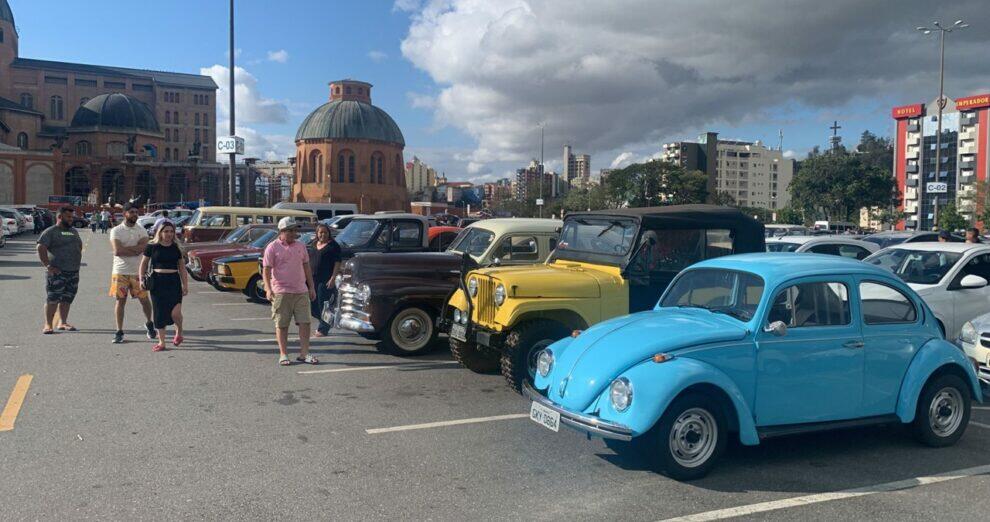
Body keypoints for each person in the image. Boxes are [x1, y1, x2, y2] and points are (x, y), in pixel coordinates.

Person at [263, 217, 318, 366]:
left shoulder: (301, 246)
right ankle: (283, 354)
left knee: (305, 323)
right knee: (282, 324)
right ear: (282, 231)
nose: (294, 233)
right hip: (281, 291)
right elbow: (266, 270)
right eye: (291, 230)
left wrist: (311, 287)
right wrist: (268, 289)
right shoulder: (272, 247)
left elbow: (306, 267)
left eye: (295, 230)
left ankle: (304, 353)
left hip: (301, 291)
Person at [109, 205, 155, 344]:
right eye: (132, 212)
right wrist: (136, 250)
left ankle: (149, 323)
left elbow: (145, 248)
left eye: (136, 212)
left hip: (137, 272)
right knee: (120, 301)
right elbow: (117, 251)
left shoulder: (141, 230)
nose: (135, 214)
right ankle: (119, 331)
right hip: (120, 271)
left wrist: (127, 249)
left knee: (144, 300)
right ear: (125, 214)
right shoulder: (116, 230)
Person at [139, 220, 188, 352]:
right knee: (159, 313)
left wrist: (185, 285)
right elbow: (143, 264)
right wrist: (141, 279)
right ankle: (162, 342)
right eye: (166, 231)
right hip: (157, 282)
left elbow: (182, 268)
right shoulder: (152, 246)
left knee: (175, 313)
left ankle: (179, 332)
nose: (169, 234)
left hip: (173, 282)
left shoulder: (176, 247)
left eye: (171, 231)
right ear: (160, 232)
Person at [37, 207, 83, 334]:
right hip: (57, 272)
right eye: (68, 217)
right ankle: (48, 324)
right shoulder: (50, 232)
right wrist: (48, 265)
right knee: (53, 298)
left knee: (67, 298)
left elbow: (79, 245)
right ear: (60, 217)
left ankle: (63, 322)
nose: (71, 219)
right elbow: (41, 247)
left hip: (73, 271)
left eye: (72, 217)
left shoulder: (73, 231)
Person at [309, 223, 342, 337]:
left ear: (329, 233)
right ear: (317, 234)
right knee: (312, 306)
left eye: (325, 232)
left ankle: (323, 329)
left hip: (326, 280)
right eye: (321, 232)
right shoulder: (313, 245)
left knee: (323, 304)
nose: (323, 234)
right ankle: (327, 321)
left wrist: (333, 278)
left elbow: (337, 263)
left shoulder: (333, 246)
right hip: (312, 279)